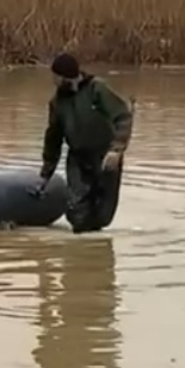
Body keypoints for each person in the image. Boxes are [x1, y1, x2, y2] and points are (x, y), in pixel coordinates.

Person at [39, 53, 134, 233]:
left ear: (65, 76)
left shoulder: (97, 89)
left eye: (55, 76)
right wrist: (46, 173)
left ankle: (96, 254)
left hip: (105, 156)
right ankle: (79, 251)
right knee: (77, 213)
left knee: (103, 215)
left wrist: (117, 150)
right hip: (78, 157)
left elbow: (122, 116)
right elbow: (53, 138)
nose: (53, 80)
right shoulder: (57, 102)